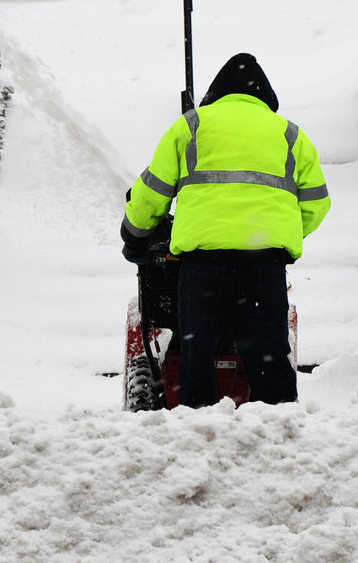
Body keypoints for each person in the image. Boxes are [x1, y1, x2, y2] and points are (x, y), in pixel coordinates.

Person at [121, 53, 330, 407]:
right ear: (266, 97)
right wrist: (277, 234)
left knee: (196, 355)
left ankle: (197, 430)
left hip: (203, 268)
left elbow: (151, 192)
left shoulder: (191, 126)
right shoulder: (290, 134)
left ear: (214, 94)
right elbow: (316, 204)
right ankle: (280, 436)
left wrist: (135, 232)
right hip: (264, 267)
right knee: (270, 361)